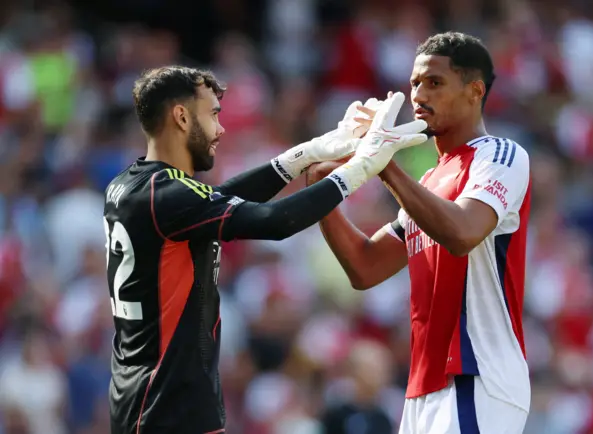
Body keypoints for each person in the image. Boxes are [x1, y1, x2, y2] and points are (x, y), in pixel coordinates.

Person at [103, 65, 427, 434]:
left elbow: (222, 199)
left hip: (152, 398)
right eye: (212, 114)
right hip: (168, 404)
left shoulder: (133, 185)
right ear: (180, 116)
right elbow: (274, 222)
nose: (220, 129)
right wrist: (362, 167)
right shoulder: (168, 194)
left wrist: (306, 153)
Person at [307, 32, 531, 433]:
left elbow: (463, 233)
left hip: (478, 373)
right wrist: (321, 185)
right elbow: (365, 267)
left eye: (435, 82)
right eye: (414, 83)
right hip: (425, 384)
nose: (418, 94)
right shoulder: (428, 181)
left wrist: (381, 160)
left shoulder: (501, 154)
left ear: (474, 90)